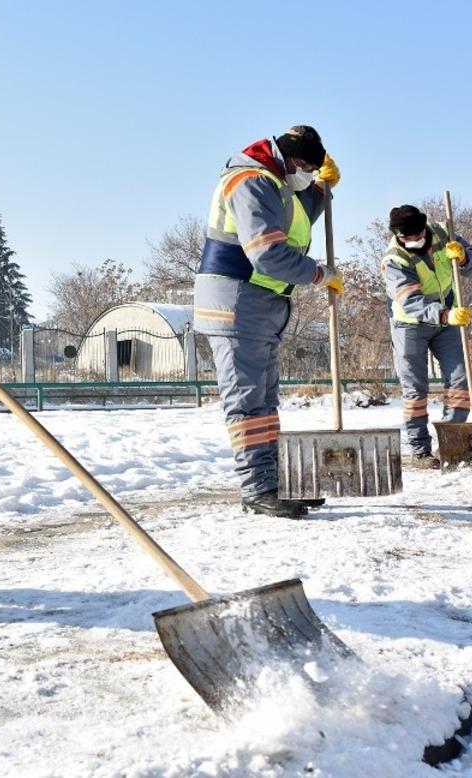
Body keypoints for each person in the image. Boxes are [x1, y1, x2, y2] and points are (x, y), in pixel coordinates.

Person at [192, 126, 343, 519]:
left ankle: (274, 483)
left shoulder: (278, 184)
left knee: (264, 402)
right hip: (236, 304)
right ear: (291, 160)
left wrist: (321, 192)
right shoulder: (252, 181)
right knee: (247, 404)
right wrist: (318, 274)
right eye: (308, 169)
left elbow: (297, 217)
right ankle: (257, 488)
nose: (307, 176)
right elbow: (269, 254)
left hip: (260, 307)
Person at [381, 205, 472, 469]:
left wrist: (463, 258)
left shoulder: (442, 233)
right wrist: (445, 315)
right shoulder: (394, 260)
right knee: (415, 389)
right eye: (408, 238)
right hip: (410, 324)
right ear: (398, 235)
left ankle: (451, 441)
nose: (414, 240)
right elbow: (411, 301)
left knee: (461, 379)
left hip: (447, 320)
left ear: (424, 227)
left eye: (417, 235)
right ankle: (421, 451)